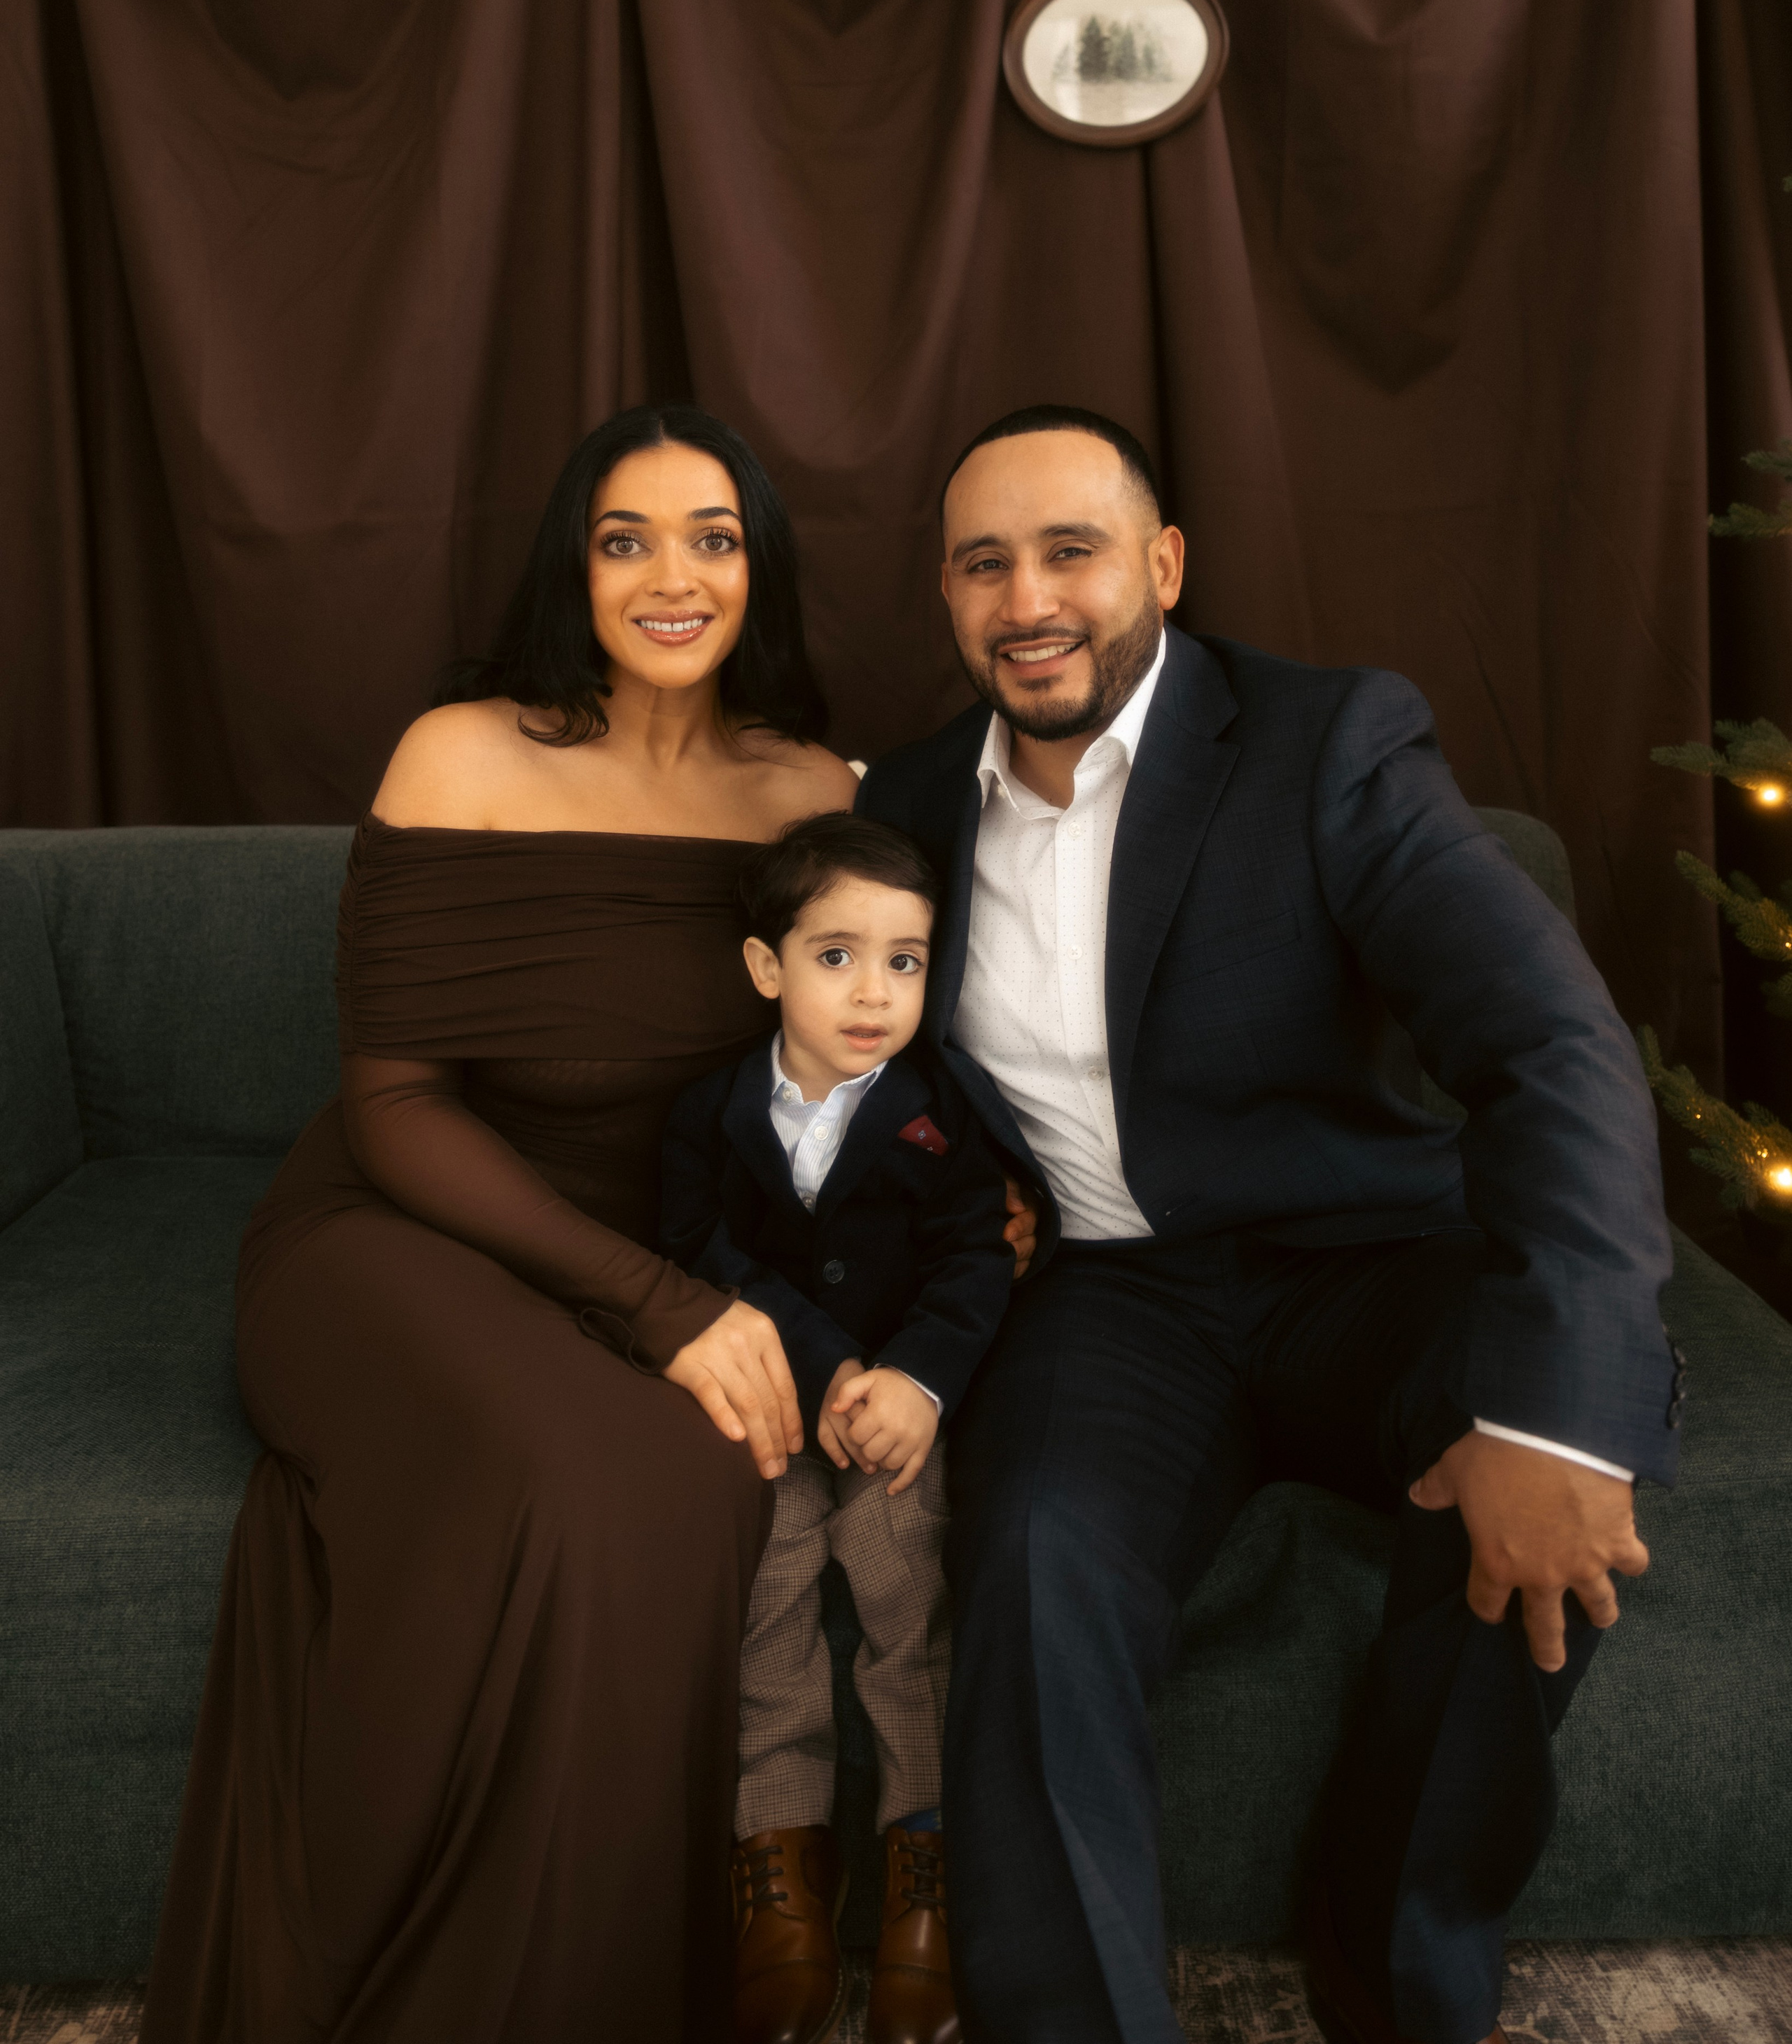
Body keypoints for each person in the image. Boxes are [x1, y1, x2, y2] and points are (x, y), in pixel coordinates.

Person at [855, 405, 1687, 2044]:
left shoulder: (1328, 743)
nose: (1027, 597)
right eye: (982, 563)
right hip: (1113, 1304)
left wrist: (1553, 1409)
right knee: (1030, 1564)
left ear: (1160, 564)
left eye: (1070, 550)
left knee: (1526, 1491)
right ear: (946, 598)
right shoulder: (904, 802)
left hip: (1371, 1263)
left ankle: (1389, 1971)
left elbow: (1546, 1044)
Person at [141, 405, 863, 2044]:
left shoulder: (811, 790)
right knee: (582, 1467)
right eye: (626, 539)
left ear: (761, 569)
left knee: (700, 1474)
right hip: (396, 1228)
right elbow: (398, 1106)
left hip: (647, 1257)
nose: (669, 575)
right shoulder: (459, 752)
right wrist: (668, 1311)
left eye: (712, 537)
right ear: (576, 567)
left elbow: (855, 1050)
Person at [662, 812, 1016, 2044]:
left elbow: (977, 1262)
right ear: (768, 967)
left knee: (906, 1589)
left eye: (906, 962)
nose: (874, 993)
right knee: (767, 1582)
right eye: (836, 957)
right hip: (773, 1402)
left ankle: (922, 1855)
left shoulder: (938, 1111)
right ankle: (783, 1863)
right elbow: (697, 1253)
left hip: (897, 1415)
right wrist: (824, 1368)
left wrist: (915, 1382)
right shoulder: (709, 1112)